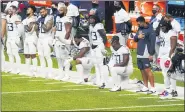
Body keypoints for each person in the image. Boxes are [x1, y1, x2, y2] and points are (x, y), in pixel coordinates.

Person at [134, 16, 156, 94]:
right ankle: (145, 86)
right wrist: (137, 36)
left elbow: (153, 43)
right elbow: (135, 39)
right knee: (142, 70)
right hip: (139, 52)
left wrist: (151, 54)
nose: (138, 24)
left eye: (139, 23)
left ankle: (153, 87)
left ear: (143, 22)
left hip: (146, 53)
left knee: (147, 70)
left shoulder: (151, 30)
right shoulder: (140, 29)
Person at [157, 21, 178, 99]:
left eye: (163, 27)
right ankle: (169, 90)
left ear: (167, 26)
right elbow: (161, 46)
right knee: (165, 74)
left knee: (170, 74)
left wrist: (169, 58)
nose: (162, 28)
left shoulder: (172, 34)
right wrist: (159, 56)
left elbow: (173, 47)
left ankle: (171, 90)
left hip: (169, 56)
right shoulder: (162, 33)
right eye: (161, 27)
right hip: (162, 56)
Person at [52, 3, 72, 80]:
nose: (59, 11)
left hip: (63, 41)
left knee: (65, 58)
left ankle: (67, 75)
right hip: (57, 40)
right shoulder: (57, 18)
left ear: (64, 11)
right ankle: (61, 74)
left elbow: (68, 31)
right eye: (58, 10)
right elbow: (56, 30)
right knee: (58, 58)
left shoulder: (67, 18)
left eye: (61, 10)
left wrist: (65, 41)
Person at [88, 15, 107, 85]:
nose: (90, 20)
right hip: (93, 46)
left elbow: (104, 37)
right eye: (90, 19)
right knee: (96, 64)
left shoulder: (99, 25)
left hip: (99, 45)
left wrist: (102, 46)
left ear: (95, 19)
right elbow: (90, 36)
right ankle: (98, 79)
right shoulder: (90, 26)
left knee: (101, 64)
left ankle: (103, 80)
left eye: (92, 19)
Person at [37, 7, 54, 78]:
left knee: (47, 56)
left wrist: (42, 22)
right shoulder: (39, 17)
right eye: (41, 12)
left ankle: (50, 73)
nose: (42, 13)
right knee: (40, 55)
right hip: (40, 38)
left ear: (46, 11)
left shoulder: (50, 18)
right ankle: (43, 72)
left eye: (43, 12)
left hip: (47, 38)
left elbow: (47, 29)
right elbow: (37, 28)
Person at [5, 5, 22, 74]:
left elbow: (21, 28)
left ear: (15, 10)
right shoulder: (7, 17)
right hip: (9, 37)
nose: (9, 11)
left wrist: (18, 37)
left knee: (15, 53)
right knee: (9, 53)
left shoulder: (16, 17)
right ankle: (11, 67)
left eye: (11, 9)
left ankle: (18, 68)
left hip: (14, 38)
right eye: (9, 10)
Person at [22, 5, 38, 76]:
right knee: (26, 54)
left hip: (32, 38)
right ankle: (27, 70)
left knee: (33, 55)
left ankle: (35, 71)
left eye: (28, 9)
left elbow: (30, 30)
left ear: (32, 10)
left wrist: (24, 24)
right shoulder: (26, 19)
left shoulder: (34, 18)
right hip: (26, 38)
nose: (27, 10)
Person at [150, 4, 163, 71]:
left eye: (155, 8)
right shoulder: (153, 17)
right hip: (152, 34)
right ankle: (155, 65)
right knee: (154, 51)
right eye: (153, 8)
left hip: (157, 35)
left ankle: (160, 66)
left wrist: (158, 34)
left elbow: (160, 26)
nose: (153, 9)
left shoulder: (160, 16)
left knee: (158, 51)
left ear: (158, 9)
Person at [1, 2, 7, 72]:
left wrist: (1, 36)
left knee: (1, 52)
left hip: (0, 36)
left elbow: (3, 26)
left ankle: (3, 66)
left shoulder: (2, 15)